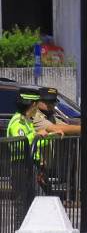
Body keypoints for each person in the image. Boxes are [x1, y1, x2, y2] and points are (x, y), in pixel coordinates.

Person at [7, 87, 47, 222]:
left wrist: (48, 137)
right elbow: (21, 141)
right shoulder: (18, 121)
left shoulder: (26, 121)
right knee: (22, 204)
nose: (38, 109)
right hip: (20, 166)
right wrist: (37, 135)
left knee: (36, 201)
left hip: (29, 165)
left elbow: (32, 141)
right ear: (32, 104)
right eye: (37, 105)